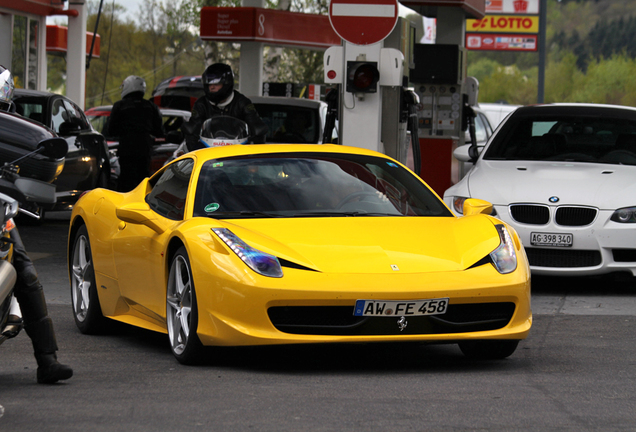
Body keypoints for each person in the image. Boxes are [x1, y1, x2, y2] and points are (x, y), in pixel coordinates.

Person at [0, 65, 72, 384]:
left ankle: (47, 360)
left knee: (26, 272)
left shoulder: (10, 132)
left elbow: (26, 161)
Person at [183, 63, 268, 152]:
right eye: (209, 84)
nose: (211, 87)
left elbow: (257, 128)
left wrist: (252, 154)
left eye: (216, 83)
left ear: (227, 83)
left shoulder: (242, 103)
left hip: (237, 152)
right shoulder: (201, 104)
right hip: (209, 152)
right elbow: (192, 131)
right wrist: (195, 152)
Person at [108, 75, 164, 192]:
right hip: (145, 150)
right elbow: (159, 131)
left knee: (126, 181)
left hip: (126, 150)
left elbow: (110, 130)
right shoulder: (151, 106)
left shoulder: (119, 106)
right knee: (143, 181)